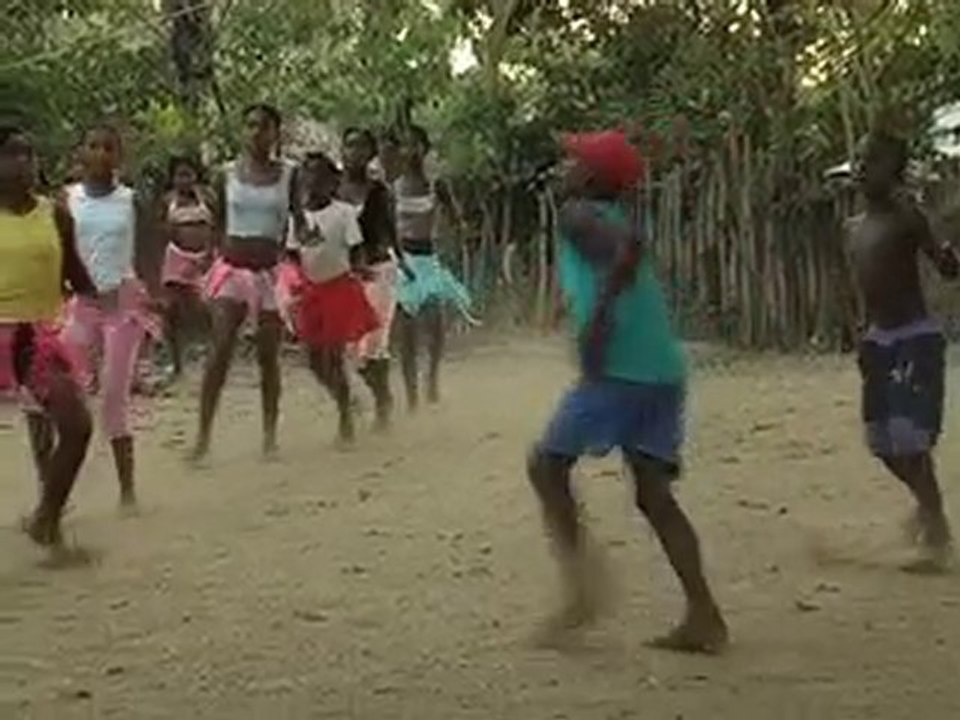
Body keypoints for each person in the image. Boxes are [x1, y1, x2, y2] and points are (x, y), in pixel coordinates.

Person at [527, 130, 727, 654]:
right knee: (654, 495)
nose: (564, 167)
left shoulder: (576, 213)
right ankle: (704, 614)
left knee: (546, 466)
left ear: (593, 176)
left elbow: (626, 252)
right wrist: (579, 306)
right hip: (661, 368)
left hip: (621, 370)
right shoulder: (607, 217)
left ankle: (582, 589)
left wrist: (599, 319)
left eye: (574, 160)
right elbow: (623, 251)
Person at [847, 129, 959, 572]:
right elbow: (862, 290)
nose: (859, 168)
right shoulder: (853, 229)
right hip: (878, 341)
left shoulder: (908, 218)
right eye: (857, 159)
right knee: (882, 443)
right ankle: (928, 508)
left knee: (910, 437)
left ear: (893, 172)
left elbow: (945, 268)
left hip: (914, 337)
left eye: (870, 160)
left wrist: (949, 252)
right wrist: (862, 335)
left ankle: (936, 529)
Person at [0, 124, 97, 546]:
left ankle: (47, 517)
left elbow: (74, 273)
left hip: (36, 339)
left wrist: (109, 306)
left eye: (28, 153)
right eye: (10, 154)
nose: (22, 163)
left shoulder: (54, 214)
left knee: (76, 426)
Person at [59, 122, 159, 510]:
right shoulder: (67, 200)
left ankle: (127, 492)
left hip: (121, 305)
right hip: (81, 304)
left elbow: (149, 247)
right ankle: (59, 485)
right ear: (81, 152)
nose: (101, 154)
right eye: (94, 146)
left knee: (115, 397)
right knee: (68, 392)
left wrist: (155, 292)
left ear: (119, 156)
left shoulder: (130, 201)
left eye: (109, 147)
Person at [192, 104, 295, 461]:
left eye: (263, 126)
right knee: (220, 349)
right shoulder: (226, 174)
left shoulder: (289, 175)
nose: (256, 133)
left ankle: (269, 437)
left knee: (268, 356)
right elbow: (218, 220)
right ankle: (202, 437)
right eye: (250, 125)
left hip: (269, 272)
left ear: (276, 132)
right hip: (232, 269)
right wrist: (209, 255)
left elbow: (297, 218)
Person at [282, 151, 379, 446]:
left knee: (333, 356)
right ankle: (345, 399)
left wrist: (361, 267)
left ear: (331, 181)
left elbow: (355, 248)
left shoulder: (343, 213)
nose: (314, 181)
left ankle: (345, 420)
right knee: (314, 360)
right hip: (311, 292)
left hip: (339, 289)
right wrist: (293, 281)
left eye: (320, 175)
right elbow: (292, 255)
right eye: (308, 175)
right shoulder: (298, 219)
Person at [393, 124, 472, 410]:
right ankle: (412, 394)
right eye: (405, 145)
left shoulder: (436, 185)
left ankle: (432, 380)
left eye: (415, 145)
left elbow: (457, 221)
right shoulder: (392, 186)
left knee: (435, 327)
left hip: (428, 258)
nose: (410, 151)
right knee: (406, 334)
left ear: (424, 149)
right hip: (402, 261)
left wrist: (451, 242)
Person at [339, 127, 408, 430]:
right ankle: (359, 404)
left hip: (378, 271)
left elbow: (390, 231)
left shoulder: (379, 192)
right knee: (345, 348)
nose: (354, 152)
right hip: (343, 274)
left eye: (361, 146)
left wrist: (403, 262)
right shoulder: (331, 190)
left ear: (370, 153)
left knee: (372, 345)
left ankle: (382, 401)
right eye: (349, 145)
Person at [159, 154, 215, 380]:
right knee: (171, 310)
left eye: (188, 174)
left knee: (207, 309)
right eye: (179, 175)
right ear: (172, 178)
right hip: (176, 257)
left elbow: (217, 226)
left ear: (196, 176)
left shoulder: (207, 197)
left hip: (203, 259)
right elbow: (160, 230)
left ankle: (213, 354)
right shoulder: (167, 200)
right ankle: (175, 362)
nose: (184, 180)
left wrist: (209, 253)